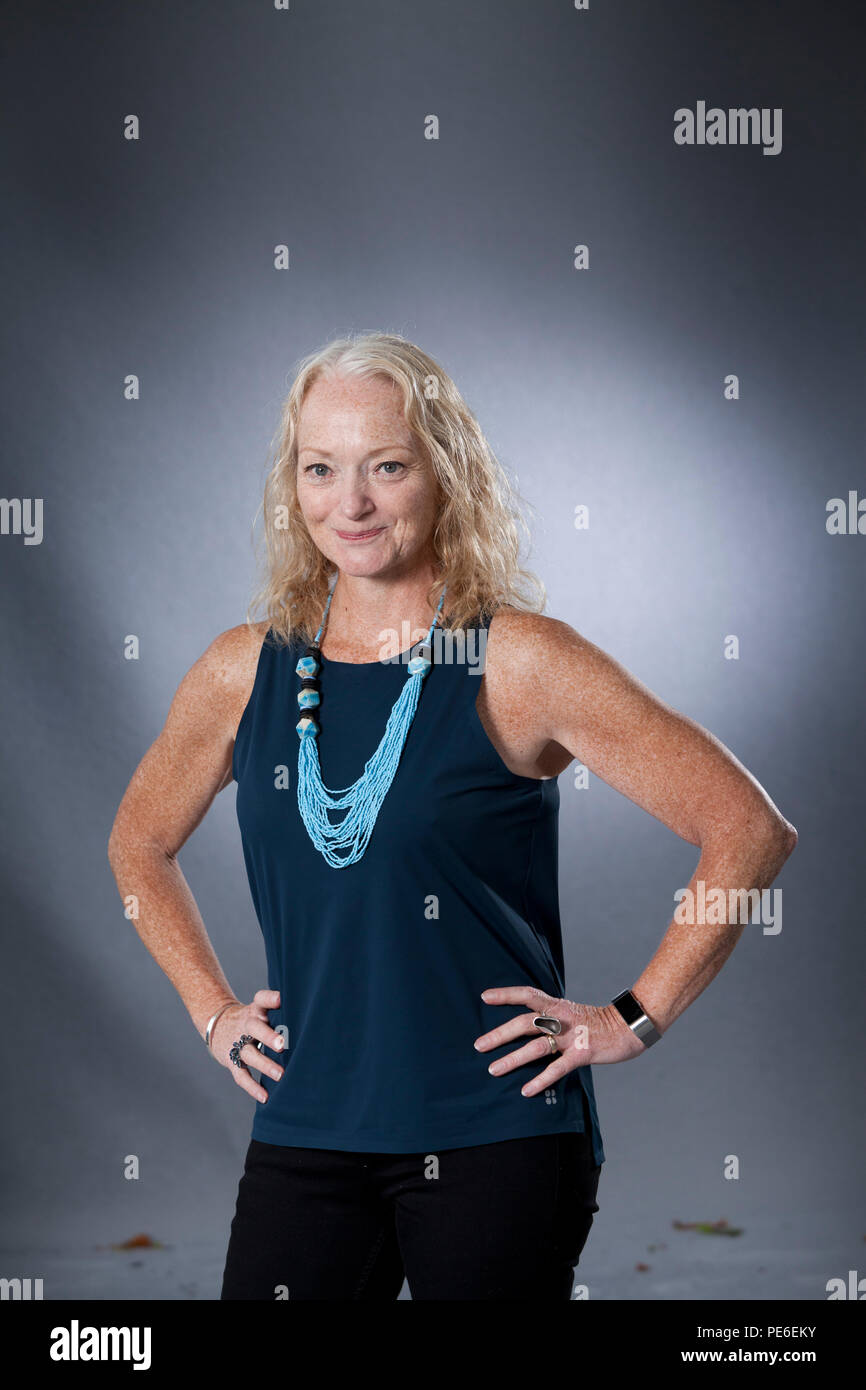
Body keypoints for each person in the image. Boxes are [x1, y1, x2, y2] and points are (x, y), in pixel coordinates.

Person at [107, 332, 797, 1301]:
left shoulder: (519, 659)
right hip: (306, 1131)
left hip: (494, 1135)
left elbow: (746, 827)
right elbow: (137, 841)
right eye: (319, 468)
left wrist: (633, 1018)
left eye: (385, 466)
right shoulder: (242, 670)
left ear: (446, 473)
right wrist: (212, 1011)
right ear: (292, 483)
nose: (348, 503)